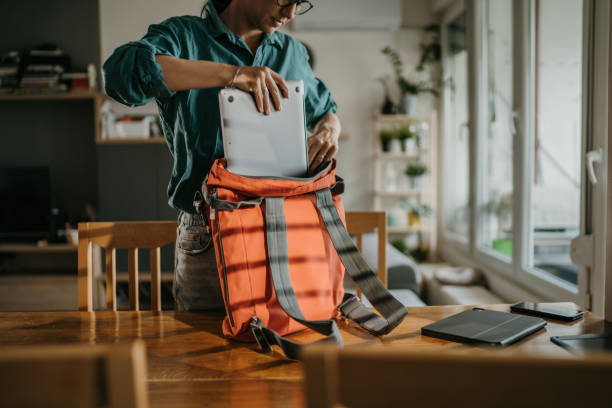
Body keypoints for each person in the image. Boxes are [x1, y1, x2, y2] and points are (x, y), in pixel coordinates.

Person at [103, 0, 341, 311]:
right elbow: (120, 76)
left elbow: (326, 111)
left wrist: (327, 132)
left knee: (286, 348)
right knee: (201, 348)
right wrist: (232, 74)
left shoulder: (292, 52)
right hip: (207, 233)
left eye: (300, 3)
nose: (291, 13)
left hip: (285, 227)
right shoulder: (185, 36)